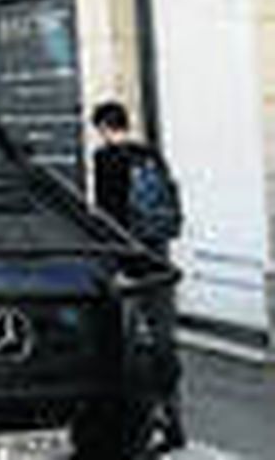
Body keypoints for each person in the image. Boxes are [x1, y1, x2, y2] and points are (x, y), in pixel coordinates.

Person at [91, 101, 187, 453]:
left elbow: (105, 216)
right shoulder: (152, 155)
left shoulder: (105, 159)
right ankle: (175, 420)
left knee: (131, 347)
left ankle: (144, 426)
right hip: (158, 257)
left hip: (128, 261)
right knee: (164, 338)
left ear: (103, 127)